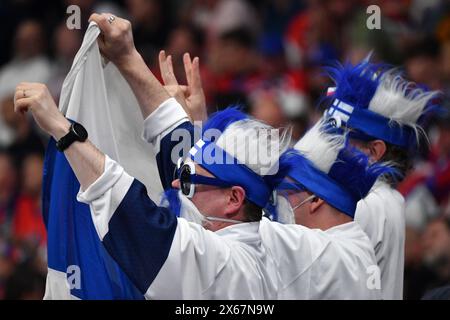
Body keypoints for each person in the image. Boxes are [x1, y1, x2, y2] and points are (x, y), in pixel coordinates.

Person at [323, 59, 440, 299]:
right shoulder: (387, 198)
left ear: (374, 151)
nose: (329, 146)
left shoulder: (367, 203)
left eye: (343, 139)